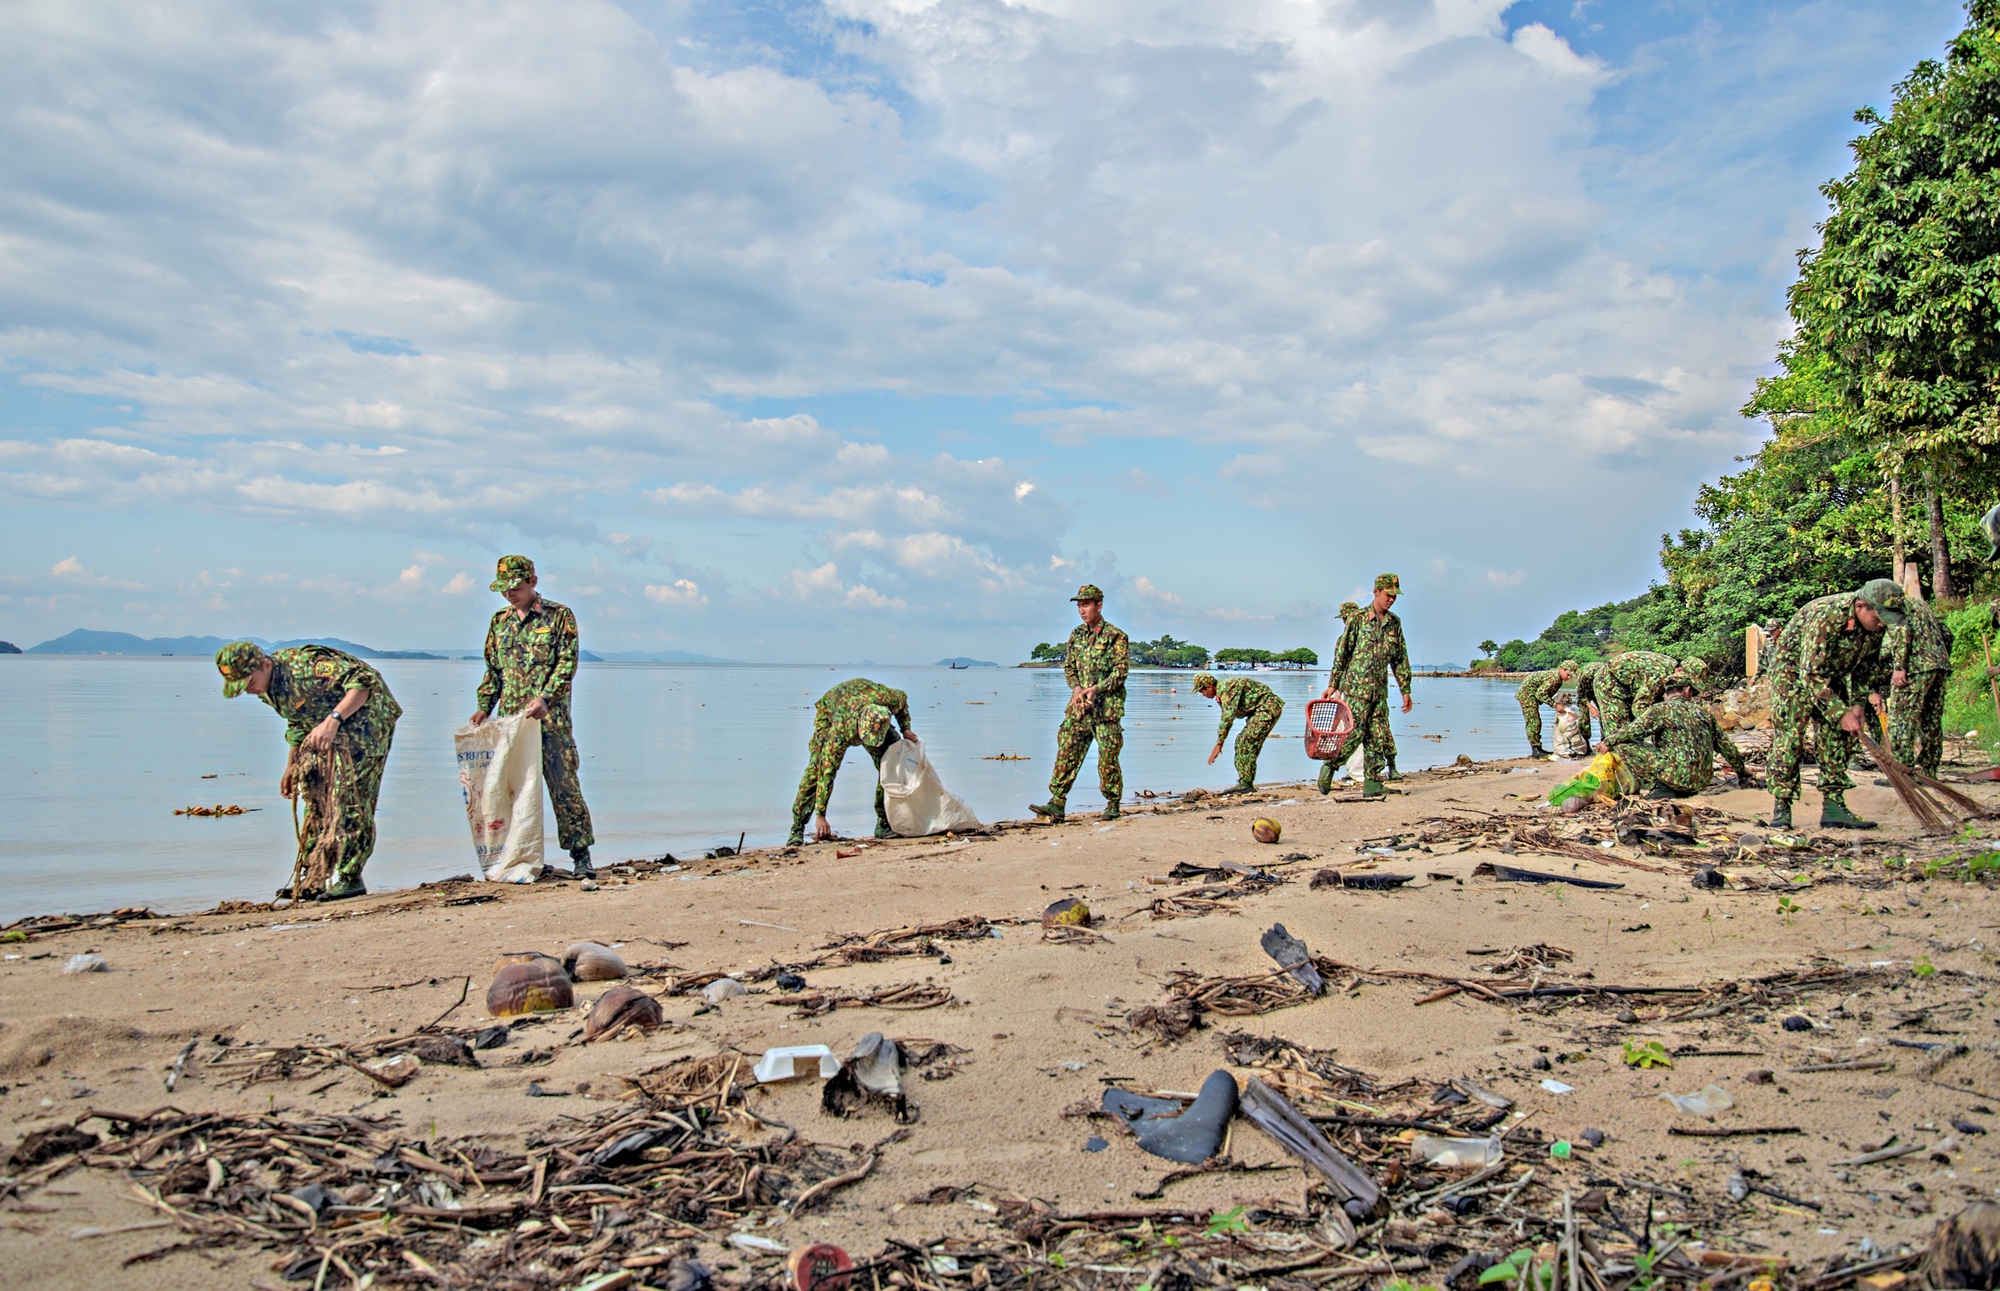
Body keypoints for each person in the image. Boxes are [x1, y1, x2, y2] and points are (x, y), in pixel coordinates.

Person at [215, 640, 400, 900]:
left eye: (248, 682)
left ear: (266, 664)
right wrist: (291, 765)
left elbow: (365, 680)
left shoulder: (305, 667)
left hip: (368, 720)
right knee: (316, 801)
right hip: (326, 726)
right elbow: (298, 720)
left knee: (350, 798)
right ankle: (314, 876)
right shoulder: (267, 687)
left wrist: (332, 721)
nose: (248, 690)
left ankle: (350, 877)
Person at [468, 555, 597, 878]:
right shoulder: (500, 622)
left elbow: (566, 665)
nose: (510, 594)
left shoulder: (559, 616)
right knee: (509, 790)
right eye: (504, 589)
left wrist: (545, 698)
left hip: (550, 722)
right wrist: (484, 704)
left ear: (533, 582)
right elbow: (493, 670)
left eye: (516, 587)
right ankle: (518, 857)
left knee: (564, 787)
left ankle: (581, 856)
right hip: (510, 724)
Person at [1766, 579, 1902, 830]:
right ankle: (1782, 807)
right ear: (1861, 606)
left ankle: (1833, 806)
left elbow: (1866, 667)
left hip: (1830, 675)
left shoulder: (1875, 626)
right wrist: (1840, 711)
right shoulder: (1827, 616)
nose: (1883, 623)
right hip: (1794, 674)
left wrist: (1857, 706)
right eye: (1880, 617)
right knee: (1790, 738)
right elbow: (1809, 673)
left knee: (1839, 735)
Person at [1032, 584, 1130, 824]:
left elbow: (1121, 672)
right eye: (1078, 605)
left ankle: (1113, 804)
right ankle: (1057, 802)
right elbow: (1070, 667)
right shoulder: (1076, 635)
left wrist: (1097, 689)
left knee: (1108, 758)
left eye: (1086, 604)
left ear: (1099, 605)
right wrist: (1076, 688)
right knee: (1066, 751)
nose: (1081, 610)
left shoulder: (1115, 636)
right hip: (1079, 708)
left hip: (1106, 709)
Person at [789, 678, 916, 844]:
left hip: (869, 710)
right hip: (831, 712)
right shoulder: (840, 730)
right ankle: (797, 829)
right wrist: (821, 815)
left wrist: (906, 729)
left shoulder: (890, 698)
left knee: (892, 762)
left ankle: (884, 823)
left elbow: (903, 703)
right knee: (815, 770)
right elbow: (827, 771)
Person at [1322, 573, 1413, 800]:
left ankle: (1372, 782)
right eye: (1387, 595)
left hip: (1379, 691)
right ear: (1376, 593)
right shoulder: (1358, 619)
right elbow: (1343, 653)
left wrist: (1406, 690)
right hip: (1356, 690)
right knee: (1353, 733)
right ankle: (1330, 766)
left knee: (1376, 736)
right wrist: (1333, 685)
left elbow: (1400, 658)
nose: (1391, 600)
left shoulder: (1394, 623)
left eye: (1394, 596)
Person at [1602, 678, 1753, 798]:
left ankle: (1661, 786)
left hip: (1675, 777)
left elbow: (1632, 731)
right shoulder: (1704, 712)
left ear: (1666, 693)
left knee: (1621, 745)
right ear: (1687, 690)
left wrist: (1608, 742)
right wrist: (1741, 770)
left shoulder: (1660, 709)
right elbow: (1726, 746)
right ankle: (1674, 786)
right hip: (1701, 781)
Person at [1886, 593, 1954, 776]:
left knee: (1900, 719)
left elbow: (1901, 633)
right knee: (1931, 720)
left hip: (1916, 667)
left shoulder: (1889, 603)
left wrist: (1899, 666)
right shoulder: (1919, 604)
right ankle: (1929, 770)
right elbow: (1946, 631)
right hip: (1939, 664)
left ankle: (1902, 771)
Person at [1194, 671, 1285, 793]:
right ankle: (1245, 781)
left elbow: (1227, 718)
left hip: (1267, 709)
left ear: (1209, 687)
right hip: (1260, 710)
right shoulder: (1223, 690)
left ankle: (1246, 784)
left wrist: (1219, 743)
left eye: (1202, 691)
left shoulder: (1226, 689)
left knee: (1245, 742)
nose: (1202, 694)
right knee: (1243, 742)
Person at [1595, 651, 1703, 737]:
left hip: (1628, 686)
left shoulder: (1671, 672)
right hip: (1608, 682)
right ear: (1679, 671)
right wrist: (1663, 725)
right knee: (1620, 732)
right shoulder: (1658, 677)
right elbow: (1639, 707)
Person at [1515, 659, 1578, 758]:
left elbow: (1546, 693)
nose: (1569, 677)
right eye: (1568, 674)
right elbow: (1540, 694)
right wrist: (1555, 705)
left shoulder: (1558, 680)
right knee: (1534, 721)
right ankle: (1536, 749)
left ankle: (1538, 748)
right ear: (1562, 669)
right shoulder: (1553, 678)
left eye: (1571, 676)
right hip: (1527, 694)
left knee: (1535, 721)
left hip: (1532, 695)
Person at [1572, 660, 1608, 747]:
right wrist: (1591, 707)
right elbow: (1580, 695)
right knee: (1584, 718)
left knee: (1606, 714)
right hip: (1585, 692)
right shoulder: (1586, 675)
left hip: (1599, 691)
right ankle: (1584, 744)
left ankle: (1605, 741)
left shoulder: (1608, 675)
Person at [1550, 692, 1590, 759]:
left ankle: (1568, 750)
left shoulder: (1567, 714)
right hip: (1568, 746)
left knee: (1568, 735)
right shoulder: (1565, 713)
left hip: (1568, 747)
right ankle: (1571, 750)